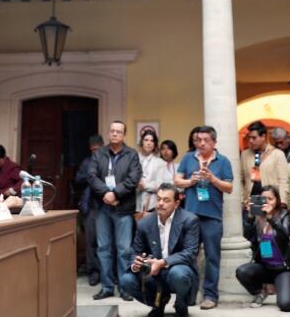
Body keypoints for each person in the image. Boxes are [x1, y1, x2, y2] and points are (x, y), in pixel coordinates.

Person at [175, 124, 235, 310]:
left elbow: (229, 187)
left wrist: (213, 179)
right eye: (198, 140)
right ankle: (189, 295)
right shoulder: (188, 158)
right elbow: (177, 181)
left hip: (212, 217)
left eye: (205, 140)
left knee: (212, 257)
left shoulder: (223, 161)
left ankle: (210, 296)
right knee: (188, 256)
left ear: (214, 142)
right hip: (190, 215)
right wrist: (190, 181)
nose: (201, 143)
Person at [119, 183, 200, 317]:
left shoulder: (190, 220)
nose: (161, 203)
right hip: (153, 273)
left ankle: (181, 303)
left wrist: (162, 262)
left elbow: (190, 253)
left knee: (179, 274)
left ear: (176, 203)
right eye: (159, 199)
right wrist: (136, 264)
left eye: (166, 200)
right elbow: (135, 252)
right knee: (126, 280)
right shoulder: (145, 223)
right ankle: (158, 304)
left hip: (177, 269)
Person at [88, 120, 142, 301]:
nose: (114, 134)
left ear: (124, 135)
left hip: (123, 208)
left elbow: (133, 178)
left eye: (118, 131)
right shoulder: (99, 154)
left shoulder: (132, 155)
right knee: (103, 248)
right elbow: (92, 175)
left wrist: (115, 193)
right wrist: (106, 193)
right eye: (112, 131)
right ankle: (107, 287)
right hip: (102, 207)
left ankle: (126, 287)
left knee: (124, 249)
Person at [237, 185, 290, 311]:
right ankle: (261, 291)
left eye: (270, 199)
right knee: (242, 271)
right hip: (265, 267)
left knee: (286, 305)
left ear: (277, 200)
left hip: (283, 268)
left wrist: (270, 218)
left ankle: (279, 286)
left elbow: (285, 233)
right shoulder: (258, 217)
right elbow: (247, 236)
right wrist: (249, 216)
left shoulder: (283, 214)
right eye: (264, 199)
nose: (267, 202)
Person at [241, 121, 290, 211]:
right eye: (250, 138)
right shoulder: (245, 155)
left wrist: (283, 202)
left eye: (254, 138)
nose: (250, 141)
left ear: (263, 137)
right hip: (250, 203)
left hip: (270, 203)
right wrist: (242, 200)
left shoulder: (278, 154)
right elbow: (240, 180)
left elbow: (283, 181)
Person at [75, 134, 105, 286]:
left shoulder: (108, 162)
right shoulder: (86, 162)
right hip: (90, 206)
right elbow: (77, 179)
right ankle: (94, 272)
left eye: (98, 150)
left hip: (106, 207)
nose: (95, 153)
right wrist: (90, 176)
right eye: (93, 151)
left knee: (105, 242)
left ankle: (107, 273)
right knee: (90, 242)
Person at [143, 139, 179, 211]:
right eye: (163, 149)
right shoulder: (155, 165)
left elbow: (181, 186)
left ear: (174, 151)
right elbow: (152, 184)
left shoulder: (178, 167)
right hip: (158, 201)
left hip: (175, 201)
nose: (166, 151)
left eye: (169, 149)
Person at [137, 129, 163, 215]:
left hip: (152, 205)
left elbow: (161, 185)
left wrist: (145, 186)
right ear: (142, 142)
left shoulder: (160, 162)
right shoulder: (134, 159)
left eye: (152, 141)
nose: (149, 143)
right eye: (146, 140)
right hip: (133, 203)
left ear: (154, 144)